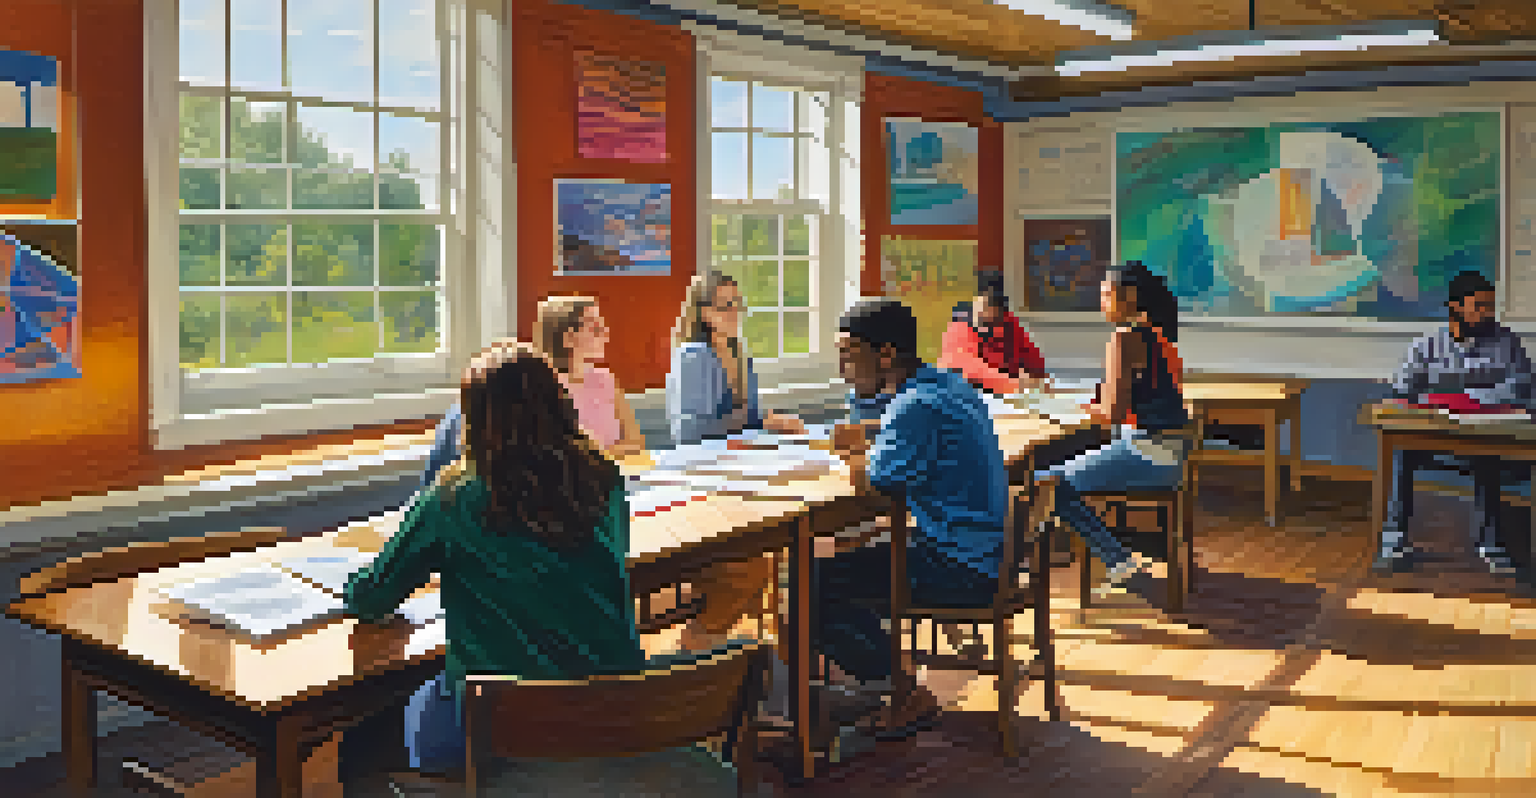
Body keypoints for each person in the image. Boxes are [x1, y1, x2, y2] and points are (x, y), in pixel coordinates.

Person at [345, 342, 645, 778]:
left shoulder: (454, 498)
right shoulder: (604, 478)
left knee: (373, 724)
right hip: (614, 711)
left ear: (474, 419)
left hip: (506, 725)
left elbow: (372, 598)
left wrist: (348, 581)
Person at [824, 298, 1009, 739]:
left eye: (849, 354)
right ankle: (863, 684)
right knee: (844, 565)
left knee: (809, 586)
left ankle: (900, 692)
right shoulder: (949, 386)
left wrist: (860, 450)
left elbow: (875, 487)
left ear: (886, 354)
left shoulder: (915, 406)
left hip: (959, 567)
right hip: (988, 555)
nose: (842, 368)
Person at [1033, 261, 1194, 594]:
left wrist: (1069, 409)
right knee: (1056, 474)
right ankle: (1113, 555)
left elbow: (1112, 415)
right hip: (1170, 453)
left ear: (1130, 296)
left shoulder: (1123, 338)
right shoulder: (1157, 334)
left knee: (1044, 482)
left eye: (1107, 294)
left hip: (1148, 454)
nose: (1101, 302)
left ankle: (1116, 558)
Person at [665, 270, 803, 653]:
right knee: (750, 563)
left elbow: (749, 417)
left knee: (769, 551)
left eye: (737, 304)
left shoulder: (739, 351)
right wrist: (762, 420)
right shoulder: (694, 355)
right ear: (704, 312)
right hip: (703, 475)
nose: (734, 312)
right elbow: (692, 432)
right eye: (725, 305)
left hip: (740, 468)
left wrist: (771, 422)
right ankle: (706, 639)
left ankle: (762, 646)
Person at [1375, 270, 1534, 577]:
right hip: (1433, 435)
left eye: (1490, 306)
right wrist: (1439, 403)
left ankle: (1491, 546)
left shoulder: (1507, 342)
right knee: (1401, 455)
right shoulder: (1425, 346)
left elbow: (1523, 386)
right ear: (1455, 306)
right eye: (1479, 306)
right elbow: (1404, 390)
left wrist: (1470, 398)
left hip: (1485, 435)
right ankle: (1394, 542)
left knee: (1487, 456)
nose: (1487, 313)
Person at [534, 295, 647, 459]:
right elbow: (556, 452)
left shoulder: (605, 379)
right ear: (569, 338)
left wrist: (597, 455)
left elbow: (636, 442)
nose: (606, 334)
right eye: (595, 329)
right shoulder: (545, 387)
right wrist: (611, 453)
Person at [937, 284, 1049, 395]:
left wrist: (1035, 378)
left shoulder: (1007, 324)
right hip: (954, 392)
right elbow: (974, 370)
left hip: (1000, 392)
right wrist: (1016, 384)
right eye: (980, 306)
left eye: (989, 308)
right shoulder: (960, 329)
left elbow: (1033, 360)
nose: (981, 311)